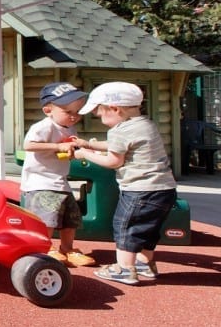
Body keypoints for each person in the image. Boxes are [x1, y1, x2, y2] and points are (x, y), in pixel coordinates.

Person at [73, 82, 177, 285]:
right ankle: (144, 264)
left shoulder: (119, 131)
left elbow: (113, 161)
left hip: (140, 190)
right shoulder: (145, 124)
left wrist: (84, 153)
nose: (99, 118)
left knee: (125, 226)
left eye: (99, 113)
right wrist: (90, 143)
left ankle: (124, 269)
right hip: (164, 189)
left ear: (114, 109)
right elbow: (119, 146)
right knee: (148, 228)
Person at [20, 82, 96, 268]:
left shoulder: (70, 129)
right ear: (48, 110)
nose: (74, 116)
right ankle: (44, 248)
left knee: (70, 218)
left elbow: (66, 152)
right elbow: (28, 145)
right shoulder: (43, 126)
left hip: (59, 181)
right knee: (47, 218)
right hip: (40, 181)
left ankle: (67, 249)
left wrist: (82, 151)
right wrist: (57, 146)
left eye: (77, 112)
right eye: (68, 112)